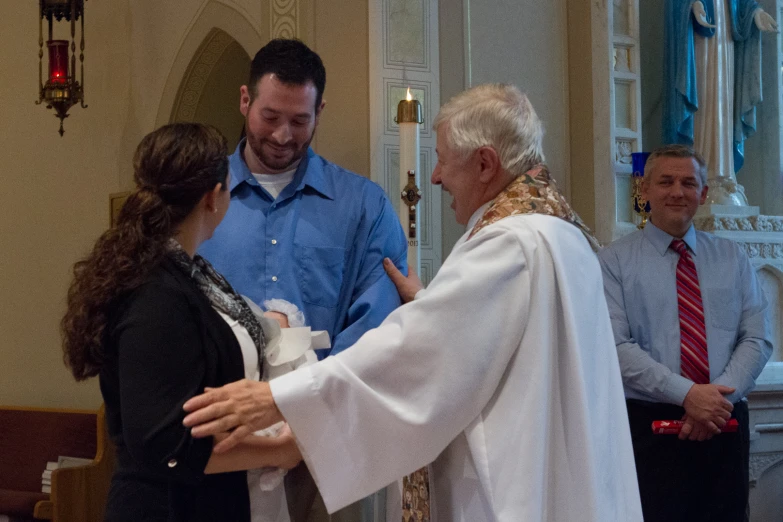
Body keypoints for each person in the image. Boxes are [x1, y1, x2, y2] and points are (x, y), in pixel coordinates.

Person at [182, 84, 644, 521]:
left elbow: (420, 352)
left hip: (514, 485)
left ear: (485, 163)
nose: (436, 176)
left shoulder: (510, 242)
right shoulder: (558, 232)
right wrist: (431, 301)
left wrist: (280, 397)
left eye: (444, 162)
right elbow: (510, 340)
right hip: (561, 470)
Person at [60, 123, 302, 522]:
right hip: (166, 508)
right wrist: (280, 451)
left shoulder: (189, 271)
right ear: (214, 197)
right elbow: (164, 442)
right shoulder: (154, 291)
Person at [198, 38, 407, 360]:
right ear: (244, 100)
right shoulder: (196, 196)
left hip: (325, 401)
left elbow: (375, 328)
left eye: (299, 121)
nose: (282, 135)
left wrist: (312, 396)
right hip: (215, 401)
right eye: (270, 117)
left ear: (319, 111)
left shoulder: (365, 205)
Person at [597, 144, 773, 521]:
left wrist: (713, 402)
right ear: (644, 190)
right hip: (649, 428)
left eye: (689, 182)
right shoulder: (612, 262)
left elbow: (757, 338)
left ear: (703, 194)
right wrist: (688, 395)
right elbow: (614, 345)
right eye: (666, 181)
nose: (677, 191)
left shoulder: (733, 258)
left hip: (723, 423)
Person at [664, 0, 777, 201]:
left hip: (726, 37)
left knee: (723, 99)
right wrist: (692, 5)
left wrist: (755, 13)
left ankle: (723, 173)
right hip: (699, 37)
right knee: (703, 96)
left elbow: (740, 3)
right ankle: (699, 173)